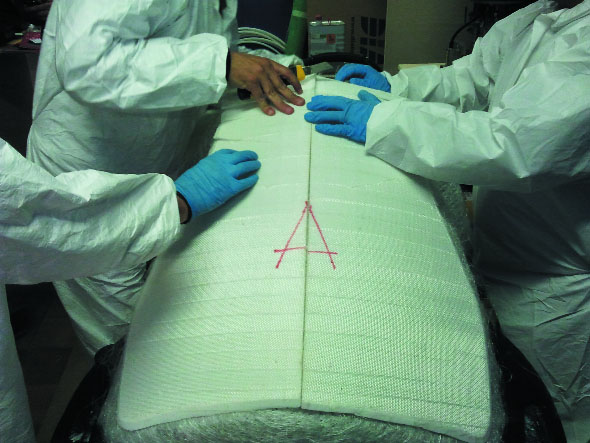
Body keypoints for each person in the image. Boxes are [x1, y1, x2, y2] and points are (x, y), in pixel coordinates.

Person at [304, 0, 590, 441]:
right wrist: (396, 87)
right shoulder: (539, 15)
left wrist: (386, 122)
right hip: (508, 252)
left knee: (552, 413)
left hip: (555, 285)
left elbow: (514, 145)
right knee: (500, 391)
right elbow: (471, 79)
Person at [26, 0, 304, 355]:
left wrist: (262, 67)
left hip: (157, 159)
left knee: (172, 303)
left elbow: (187, 42)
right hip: (90, 179)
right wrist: (221, 65)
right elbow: (88, 63)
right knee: (133, 344)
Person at [0, 136, 260, 442]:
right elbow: (27, 216)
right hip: (80, 193)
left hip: (145, 160)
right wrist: (172, 202)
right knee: (144, 357)